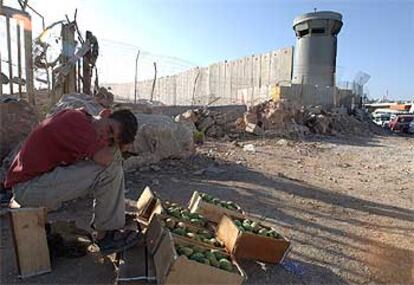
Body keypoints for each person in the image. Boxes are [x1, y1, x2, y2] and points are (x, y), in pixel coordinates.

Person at [2, 107, 140, 255]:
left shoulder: (79, 117)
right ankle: (107, 233)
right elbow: (107, 160)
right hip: (28, 189)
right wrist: (118, 147)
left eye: (111, 140)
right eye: (110, 130)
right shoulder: (80, 125)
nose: (105, 138)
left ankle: (111, 221)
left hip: (30, 186)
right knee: (111, 164)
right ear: (105, 113)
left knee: (108, 164)